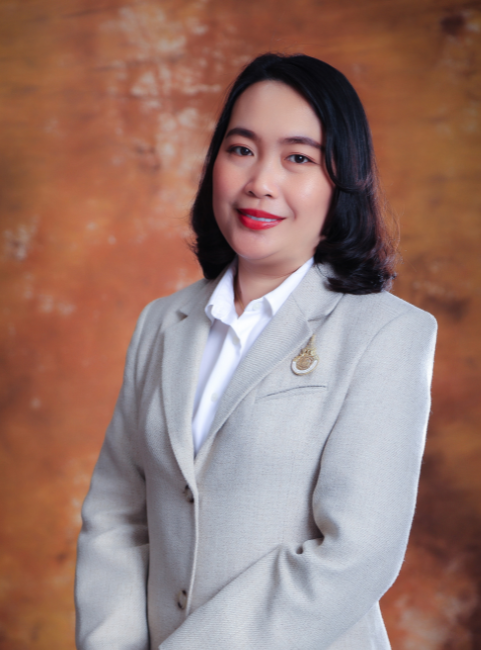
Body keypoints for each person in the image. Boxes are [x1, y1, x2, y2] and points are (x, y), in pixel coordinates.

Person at [75, 53, 437, 650]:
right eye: (241, 149)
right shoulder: (160, 323)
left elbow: (357, 552)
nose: (260, 182)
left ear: (342, 182)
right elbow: (116, 516)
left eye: (298, 158)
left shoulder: (388, 334)